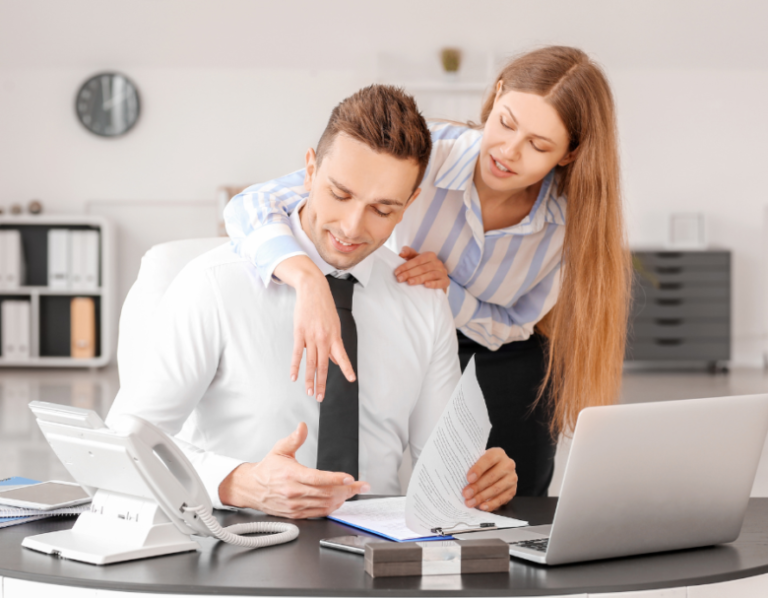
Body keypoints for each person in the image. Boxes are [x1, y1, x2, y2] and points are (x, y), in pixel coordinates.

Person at [223, 46, 632, 498]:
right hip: (401, 328)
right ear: (496, 96)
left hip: (500, 354)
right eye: (507, 123)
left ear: (570, 154)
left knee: (506, 491)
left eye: (538, 146)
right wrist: (305, 277)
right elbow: (252, 205)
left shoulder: (569, 221)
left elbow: (517, 321)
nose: (508, 151)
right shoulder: (425, 152)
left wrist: (447, 291)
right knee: (376, 467)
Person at [108, 85, 518, 519]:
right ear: (309, 170)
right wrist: (238, 483)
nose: (352, 226)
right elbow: (120, 446)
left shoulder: (422, 301)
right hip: (241, 549)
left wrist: (482, 478)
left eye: (382, 209)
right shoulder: (214, 285)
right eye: (340, 194)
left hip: (378, 563)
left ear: (409, 204)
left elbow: (446, 469)